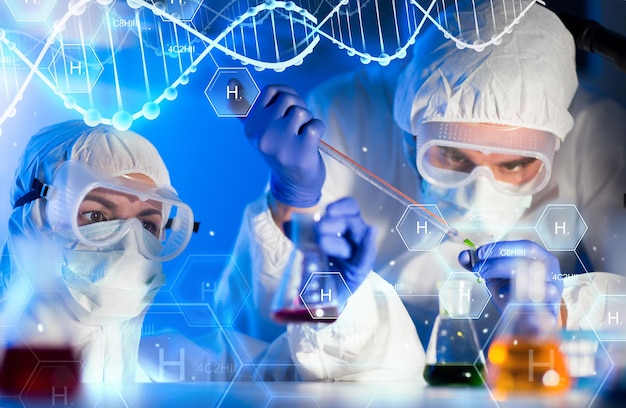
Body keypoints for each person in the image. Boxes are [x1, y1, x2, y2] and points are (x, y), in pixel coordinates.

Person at [216, 0, 626, 381]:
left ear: (556, 143)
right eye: (451, 156)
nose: (477, 196)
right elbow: (258, 341)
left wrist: (563, 308)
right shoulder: (347, 112)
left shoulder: (598, 135)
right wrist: (291, 198)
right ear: (410, 136)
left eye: (515, 163)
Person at [0, 120, 195, 382]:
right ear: (31, 217)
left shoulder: (166, 375)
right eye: (97, 216)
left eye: (147, 225)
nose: (128, 248)